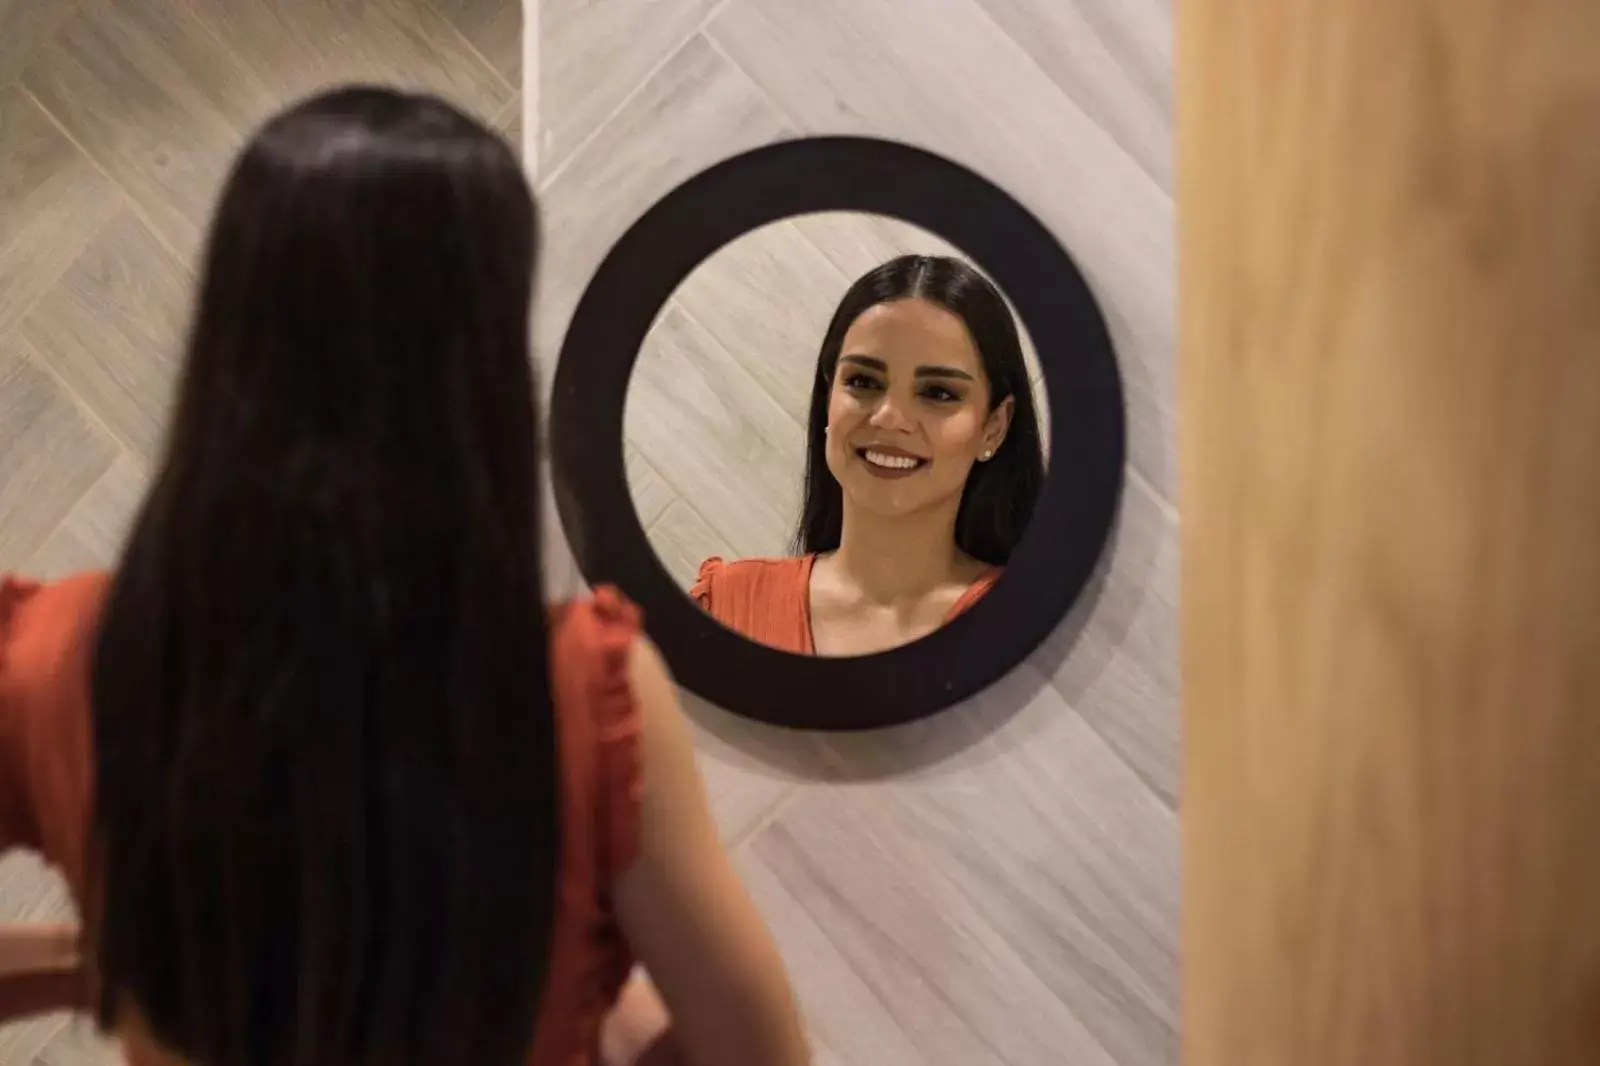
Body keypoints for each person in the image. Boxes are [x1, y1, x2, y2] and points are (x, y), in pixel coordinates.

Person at [0, 88, 809, 1066]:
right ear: (484, 364)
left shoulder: (58, 661)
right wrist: (611, 1014)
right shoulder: (580, 692)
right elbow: (758, 1057)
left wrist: (112, 962)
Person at [693, 255, 1045, 657]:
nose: (890, 418)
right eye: (863, 381)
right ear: (828, 399)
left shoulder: (1034, 627)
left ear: (994, 426)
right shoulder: (725, 606)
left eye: (938, 393)